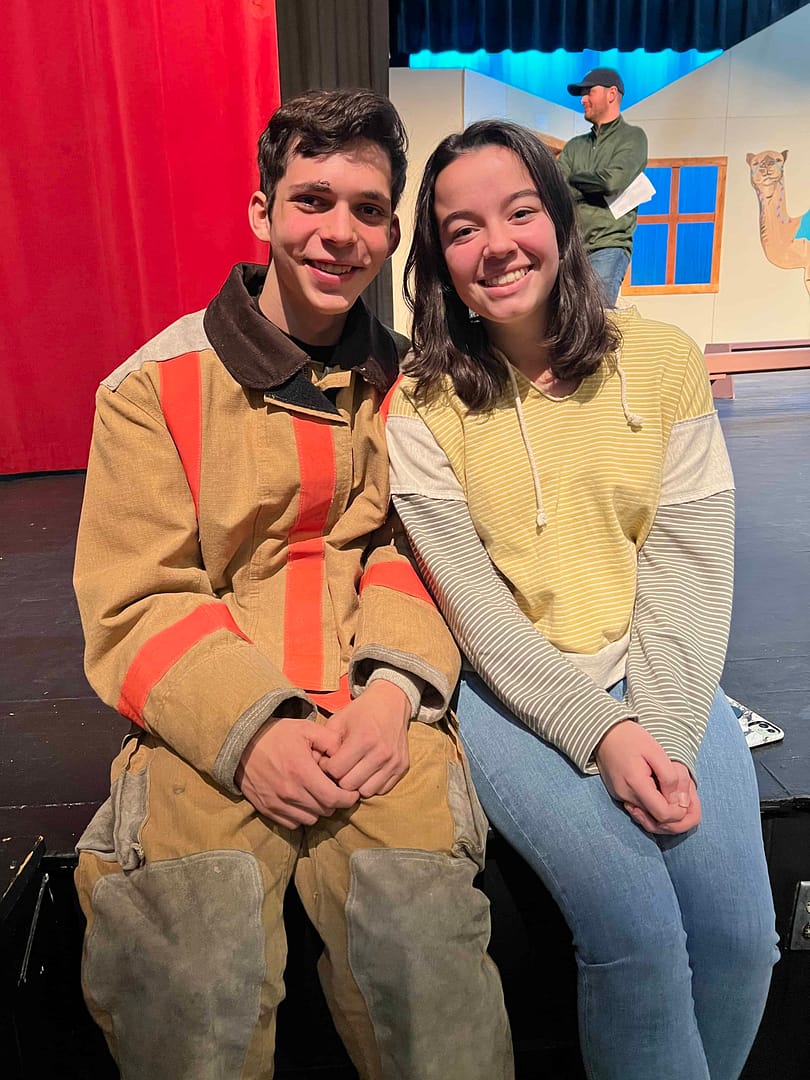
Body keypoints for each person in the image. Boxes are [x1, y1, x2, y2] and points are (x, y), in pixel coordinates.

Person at [72, 89, 513, 1080]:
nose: (338, 232)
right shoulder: (152, 388)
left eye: (366, 209)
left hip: (379, 726)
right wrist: (255, 732)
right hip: (206, 736)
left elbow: (425, 548)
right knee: (189, 990)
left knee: (436, 992)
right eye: (312, 200)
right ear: (263, 214)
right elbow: (134, 600)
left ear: (393, 232)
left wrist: (393, 695)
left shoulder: (420, 386)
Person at [384, 119, 779, 1080]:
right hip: (513, 692)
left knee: (739, 942)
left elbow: (687, 568)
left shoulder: (665, 361)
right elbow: (476, 611)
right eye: (462, 227)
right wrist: (601, 735)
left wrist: (669, 733)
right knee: (639, 942)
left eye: (519, 211)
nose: (497, 245)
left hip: (664, 679)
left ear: (559, 221)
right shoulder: (422, 401)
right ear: (437, 255)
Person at [558, 67, 647, 306]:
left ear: (611, 94)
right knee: (567, 321)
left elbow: (612, 181)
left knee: (595, 319)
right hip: (571, 250)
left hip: (609, 245)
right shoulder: (574, 146)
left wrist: (574, 180)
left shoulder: (633, 138)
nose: (583, 99)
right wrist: (589, 185)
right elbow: (556, 189)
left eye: (589, 92)